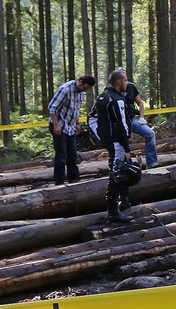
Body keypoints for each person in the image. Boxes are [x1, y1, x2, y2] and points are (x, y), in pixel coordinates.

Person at [93, 69, 140, 223]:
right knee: (117, 175)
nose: (127, 83)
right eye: (125, 80)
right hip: (118, 144)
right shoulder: (117, 100)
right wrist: (126, 148)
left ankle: (124, 202)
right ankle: (113, 212)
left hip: (112, 142)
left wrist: (103, 138)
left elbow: (91, 118)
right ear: (119, 82)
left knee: (119, 171)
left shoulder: (102, 97)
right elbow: (121, 126)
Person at [47, 75, 97, 185]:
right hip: (59, 125)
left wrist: (77, 123)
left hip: (70, 127)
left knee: (73, 154)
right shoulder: (64, 89)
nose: (85, 90)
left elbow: (76, 109)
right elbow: (52, 107)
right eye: (84, 88)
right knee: (61, 155)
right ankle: (59, 181)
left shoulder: (81, 93)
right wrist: (56, 125)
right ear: (80, 82)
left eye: (87, 89)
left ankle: (74, 179)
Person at [115, 68, 158, 168]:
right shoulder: (112, 89)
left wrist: (141, 117)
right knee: (121, 142)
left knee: (150, 133)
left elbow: (140, 102)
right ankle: (120, 165)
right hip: (119, 122)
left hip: (132, 119)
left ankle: (152, 162)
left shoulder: (131, 87)